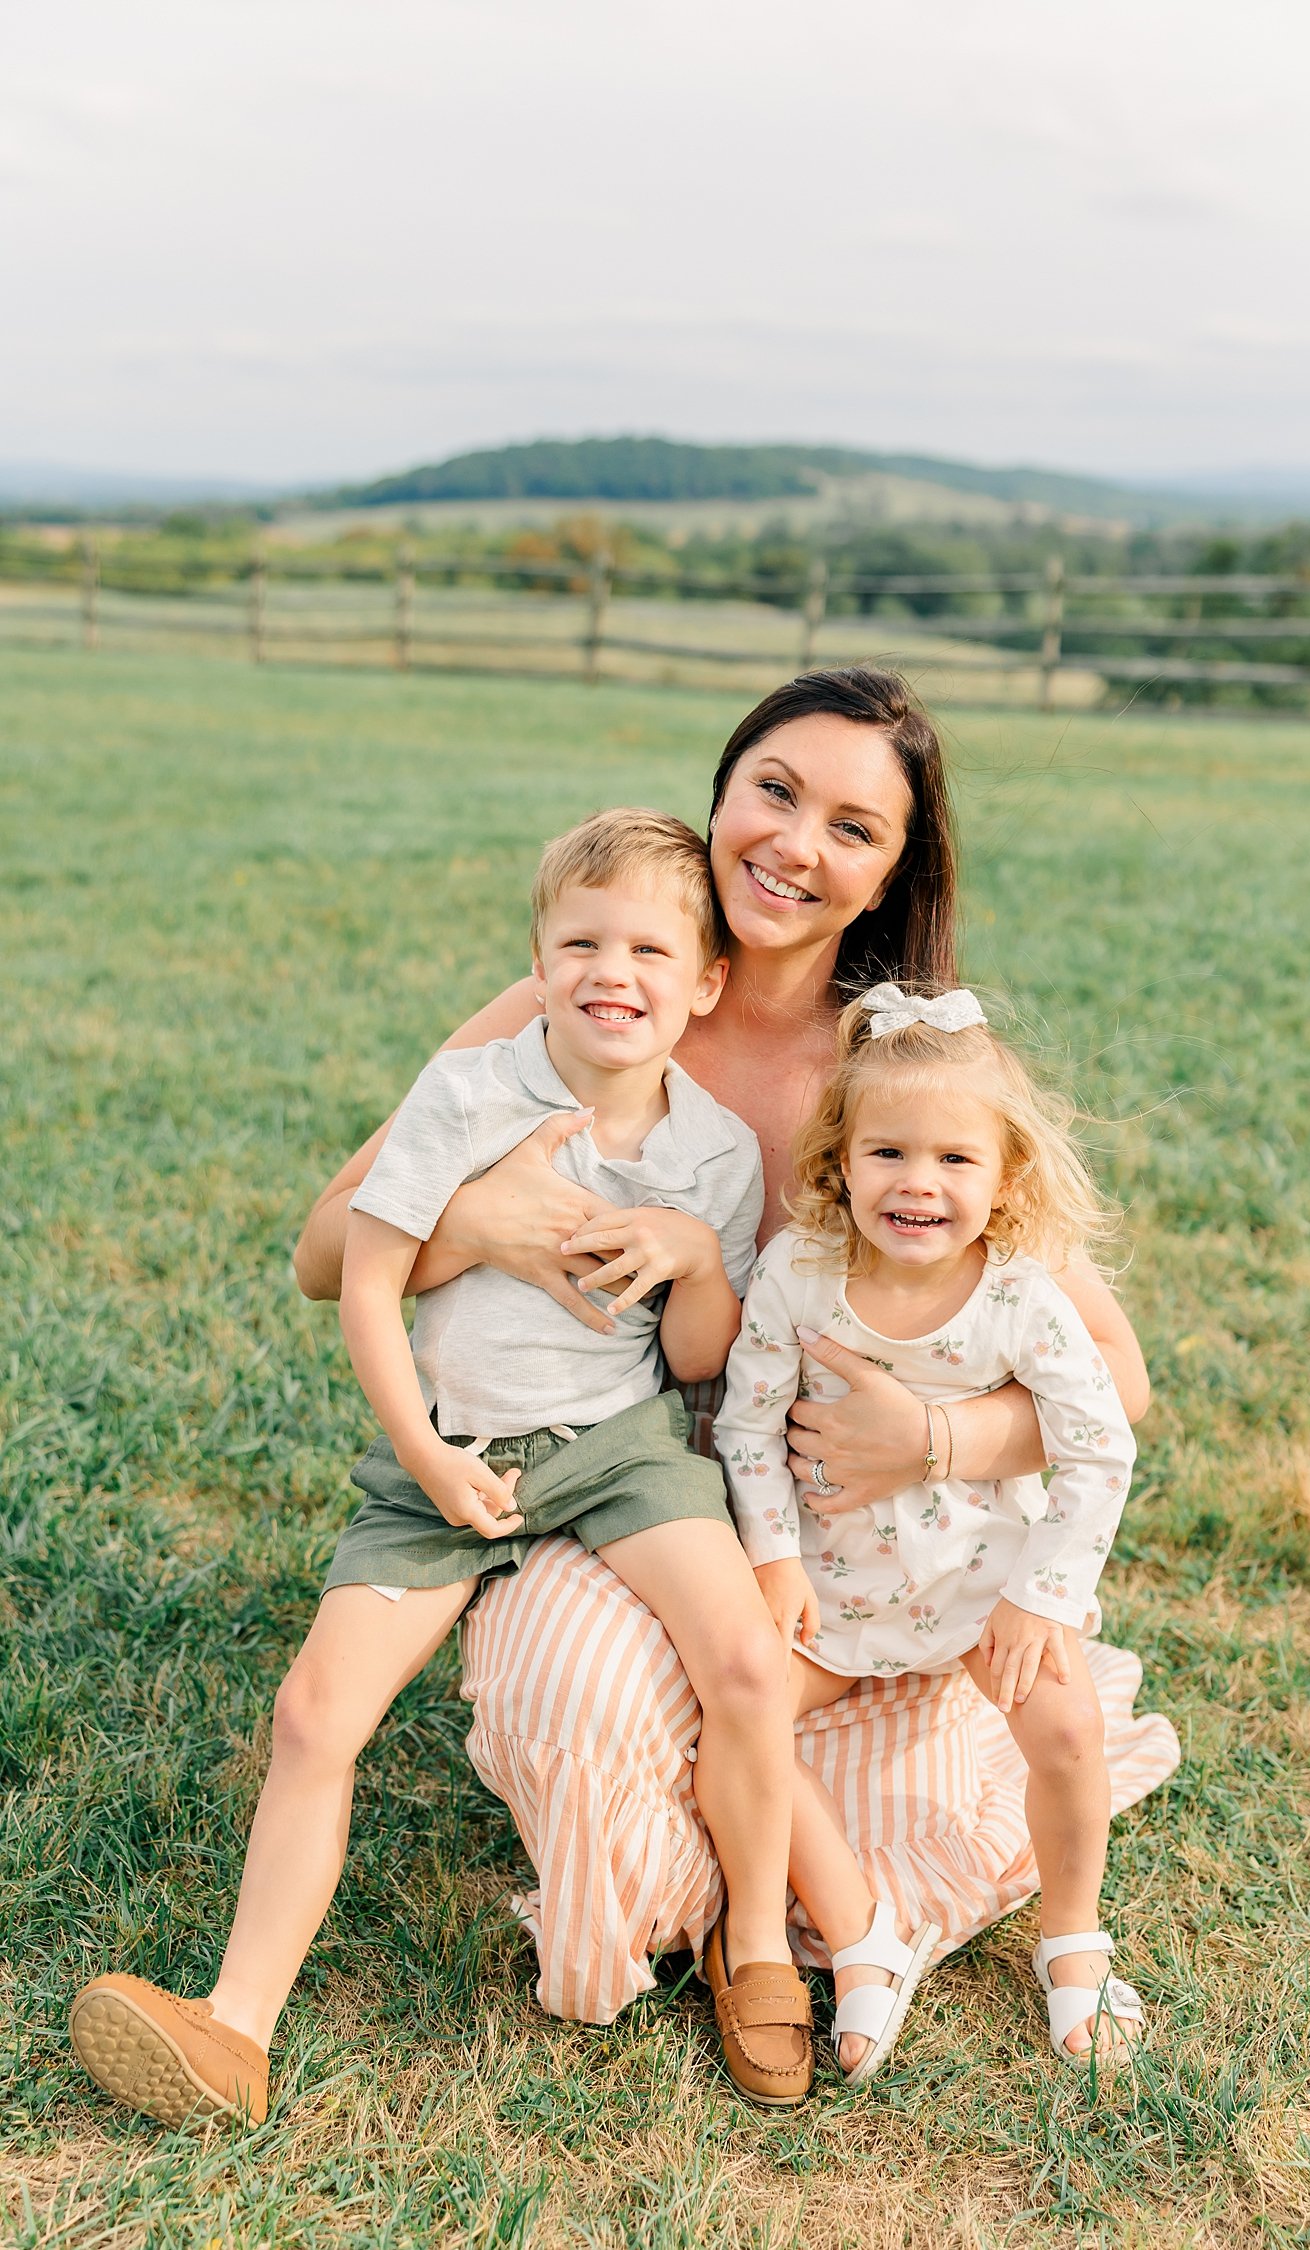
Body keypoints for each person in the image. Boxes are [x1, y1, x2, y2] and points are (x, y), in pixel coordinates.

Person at [291, 667, 1175, 2036]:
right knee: (586, 1716)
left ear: (888, 874)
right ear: (719, 794)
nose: (796, 844)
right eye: (774, 791)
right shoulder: (597, 984)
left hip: (833, 1523)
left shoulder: (906, 1066)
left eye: (852, 826)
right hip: (610, 1469)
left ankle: (777, 1894)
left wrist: (935, 1439)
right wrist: (476, 1224)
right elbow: (323, 1253)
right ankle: (718, 1890)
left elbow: (1116, 1379)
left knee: (828, 1711)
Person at [69, 809, 816, 2126]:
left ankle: (756, 1937)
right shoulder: (469, 1095)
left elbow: (699, 1354)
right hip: (448, 1451)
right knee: (314, 1713)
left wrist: (695, 1253)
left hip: (621, 1451)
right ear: (535, 959)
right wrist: (420, 1449)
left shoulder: (710, 1150)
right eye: (580, 940)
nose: (613, 970)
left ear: (704, 984)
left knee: (748, 1660)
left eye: (650, 947)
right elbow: (360, 1283)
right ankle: (232, 2029)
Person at [717, 983, 1146, 2080]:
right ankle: (863, 1935)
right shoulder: (799, 1274)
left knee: (1066, 1727)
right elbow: (748, 1426)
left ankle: (1073, 1939)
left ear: (1006, 1179)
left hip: (980, 1582)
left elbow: (1100, 1447)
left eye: (956, 1160)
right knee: (738, 1717)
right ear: (839, 1163)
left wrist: (1038, 1601)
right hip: (833, 1580)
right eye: (889, 1153)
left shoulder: (1019, 1296)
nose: (919, 1183)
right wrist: (771, 1561)